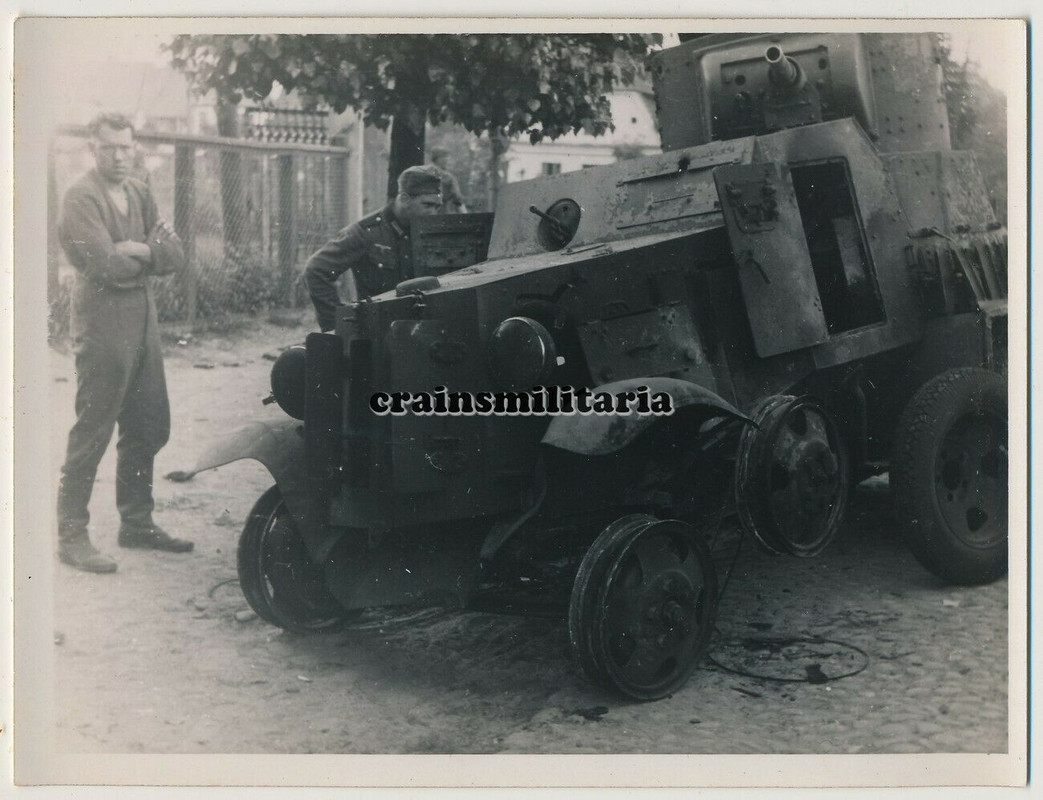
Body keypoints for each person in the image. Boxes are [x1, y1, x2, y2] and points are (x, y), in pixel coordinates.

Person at [56, 112, 193, 574]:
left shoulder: (139, 190)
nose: (119, 155)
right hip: (101, 324)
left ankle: (136, 522)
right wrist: (143, 254)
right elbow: (106, 266)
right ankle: (71, 535)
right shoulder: (80, 197)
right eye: (109, 147)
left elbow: (176, 254)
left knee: (149, 422)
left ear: (135, 148)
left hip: (143, 322)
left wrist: (141, 250)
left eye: (126, 147)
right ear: (93, 149)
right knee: (93, 429)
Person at [304, 165, 444, 332]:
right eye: (427, 205)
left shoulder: (430, 232)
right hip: (379, 334)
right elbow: (316, 270)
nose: (434, 213)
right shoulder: (366, 232)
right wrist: (338, 325)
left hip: (425, 331)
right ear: (405, 199)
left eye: (437, 207)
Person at [429, 148, 468, 214]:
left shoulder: (423, 173)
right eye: (446, 158)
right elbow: (458, 201)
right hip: (441, 215)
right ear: (439, 159)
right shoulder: (448, 177)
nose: (448, 161)